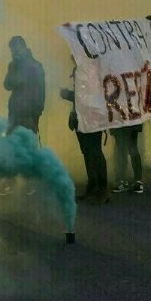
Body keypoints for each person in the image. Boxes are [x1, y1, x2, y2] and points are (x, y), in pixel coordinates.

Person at [60, 60, 109, 204]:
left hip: (92, 117)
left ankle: (102, 189)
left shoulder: (90, 71)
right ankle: (93, 186)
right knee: (87, 152)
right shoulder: (81, 69)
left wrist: (67, 94)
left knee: (95, 151)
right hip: (82, 117)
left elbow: (87, 95)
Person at [3, 36, 45, 137]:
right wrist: (15, 69)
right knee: (12, 143)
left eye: (15, 50)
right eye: (12, 51)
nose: (13, 53)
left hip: (29, 115)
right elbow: (7, 85)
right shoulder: (13, 65)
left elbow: (41, 92)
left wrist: (36, 113)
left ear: (23, 48)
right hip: (14, 112)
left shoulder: (36, 66)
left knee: (26, 145)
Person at [109, 123, 144, 194]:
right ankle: (137, 180)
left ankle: (121, 181)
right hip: (132, 120)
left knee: (121, 149)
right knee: (133, 147)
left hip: (120, 121)